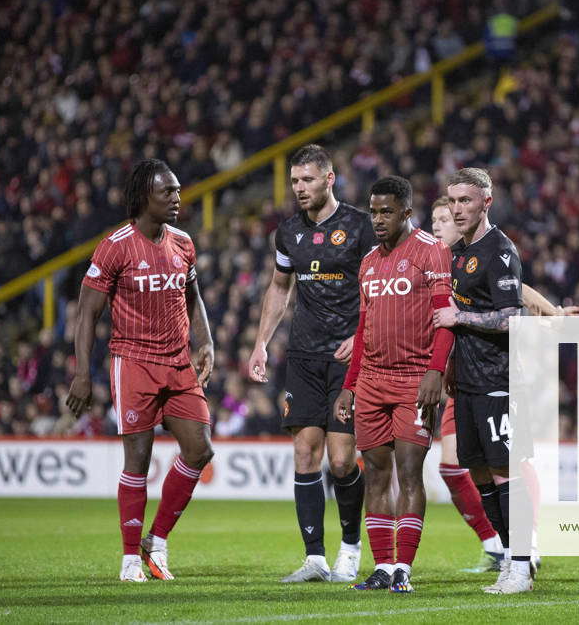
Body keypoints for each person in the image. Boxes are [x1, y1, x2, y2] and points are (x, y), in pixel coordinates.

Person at [65, 158, 215, 583]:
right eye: (167, 191)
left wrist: (205, 342)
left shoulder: (183, 242)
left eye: (178, 190)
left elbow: (193, 295)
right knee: (138, 457)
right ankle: (130, 558)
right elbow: (87, 312)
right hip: (133, 362)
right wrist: (82, 374)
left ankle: (157, 541)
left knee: (201, 449)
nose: (176, 197)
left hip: (178, 362)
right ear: (143, 196)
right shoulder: (115, 245)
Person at [430, 196, 579, 573]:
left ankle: (526, 545)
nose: (436, 226)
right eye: (432, 219)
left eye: (443, 218)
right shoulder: (437, 261)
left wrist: (553, 312)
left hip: (491, 369)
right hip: (455, 373)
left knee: (508, 460)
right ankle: (497, 543)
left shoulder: (480, 253)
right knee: (456, 466)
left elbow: (518, 292)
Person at [247, 144, 373, 583]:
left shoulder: (361, 227)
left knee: (341, 461)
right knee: (304, 452)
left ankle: (352, 547)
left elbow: (380, 288)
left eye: (307, 180)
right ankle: (315, 557)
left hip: (350, 356)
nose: (299, 189)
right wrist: (261, 343)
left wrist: (360, 337)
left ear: (329, 178)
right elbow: (279, 289)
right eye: (295, 181)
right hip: (303, 354)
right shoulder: (287, 233)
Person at [333, 176, 454, 594]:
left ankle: (404, 566)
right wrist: (350, 385)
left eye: (387, 212)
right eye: (373, 211)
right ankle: (383, 566)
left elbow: (445, 318)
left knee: (409, 472)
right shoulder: (368, 262)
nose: (378, 219)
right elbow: (363, 327)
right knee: (377, 475)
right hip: (371, 382)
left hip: (413, 381)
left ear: (406, 211)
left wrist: (435, 372)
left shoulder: (431, 251)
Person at [432, 167, 533, 594]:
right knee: (479, 473)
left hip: (500, 378)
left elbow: (514, 317)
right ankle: (509, 555)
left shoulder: (500, 251)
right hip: (469, 379)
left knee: (504, 471)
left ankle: (524, 565)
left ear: (486, 203)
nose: (457, 209)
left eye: (466, 201)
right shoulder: (456, 252)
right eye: (452, 201)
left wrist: (461, 317)